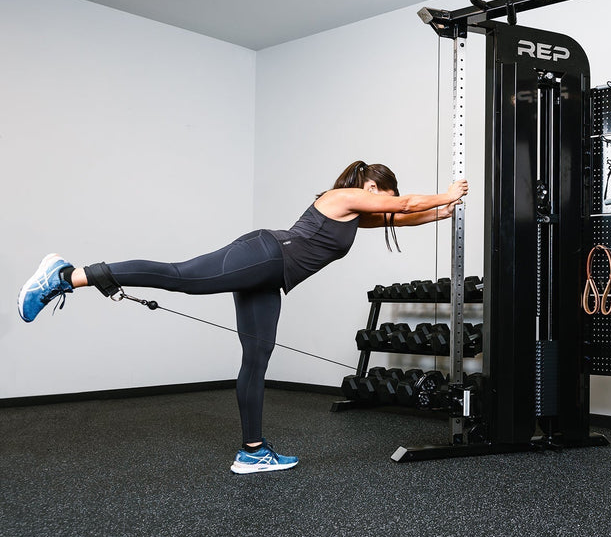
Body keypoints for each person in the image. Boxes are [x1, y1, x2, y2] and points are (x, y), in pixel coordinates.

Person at [17, 160, 468, 474]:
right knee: (181, 277)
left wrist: (441, 212)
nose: (386, 202)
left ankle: (253, 452)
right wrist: (441, 194)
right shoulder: (342, 196)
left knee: (256, 357)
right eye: (384, 195)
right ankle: (68, 275)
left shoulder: (354, 215)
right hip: (264, 254)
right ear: (373, 188)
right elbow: (404, 204)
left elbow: (403, 215)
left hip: (268, 276)